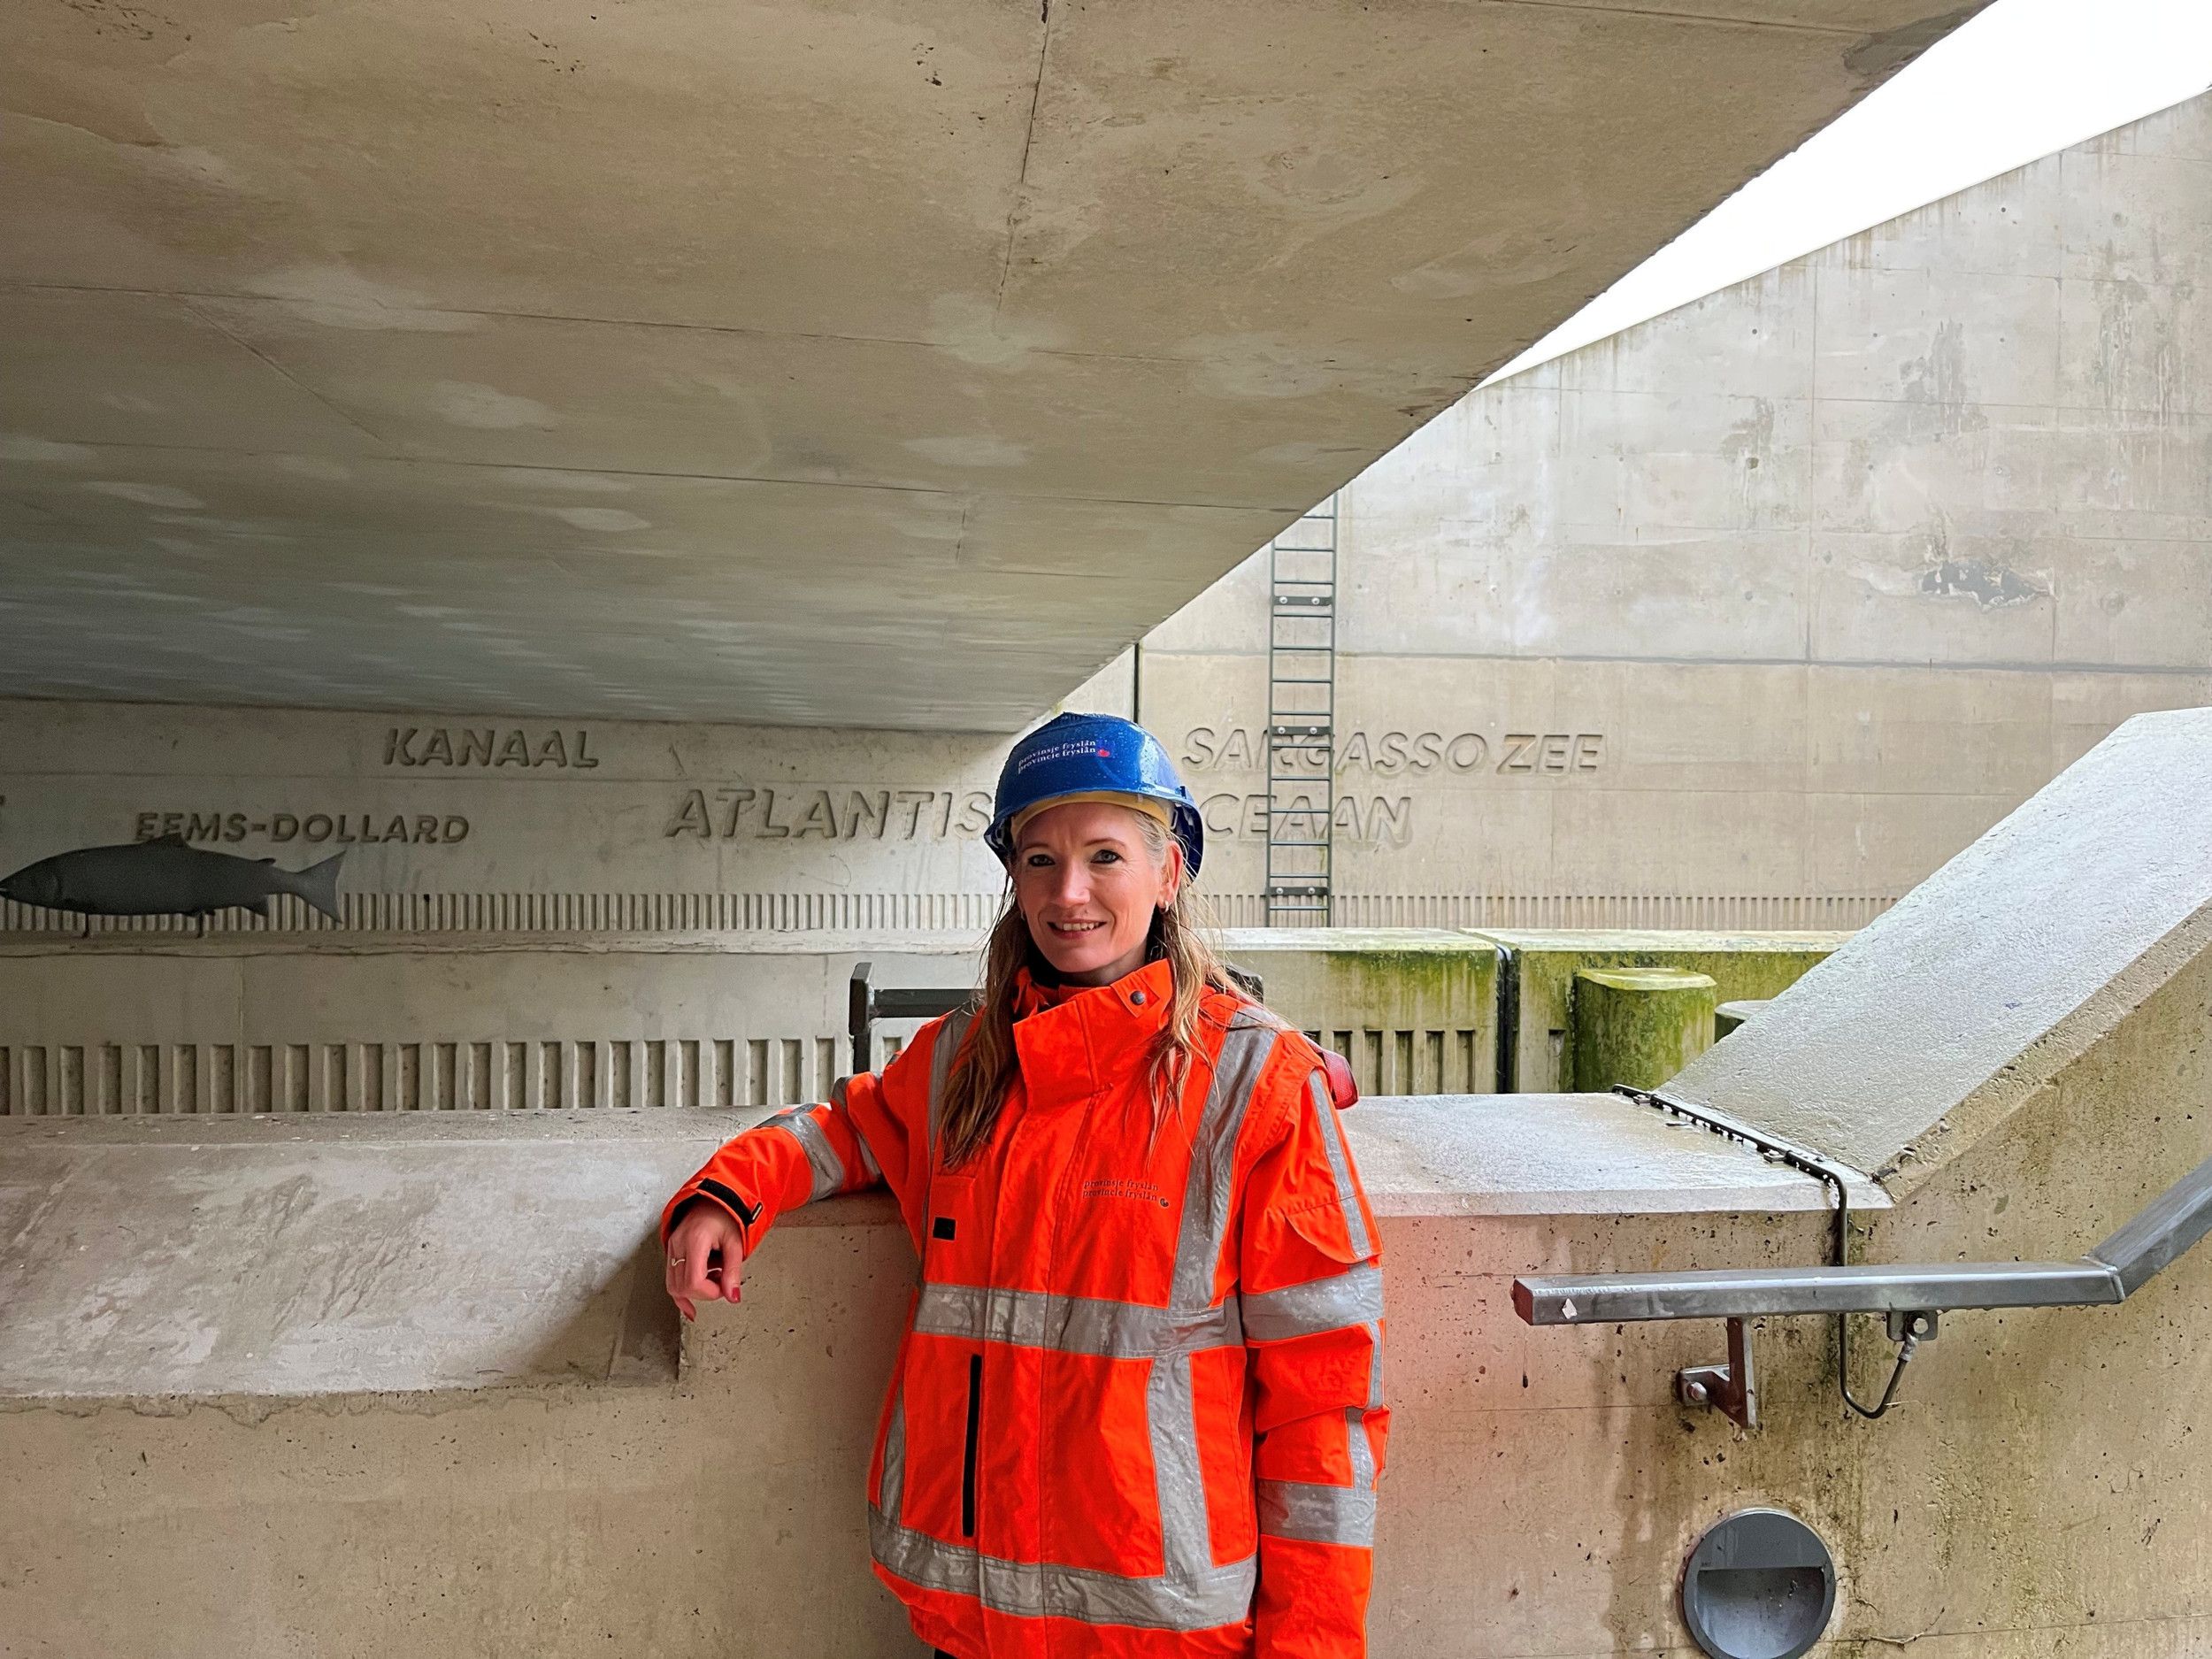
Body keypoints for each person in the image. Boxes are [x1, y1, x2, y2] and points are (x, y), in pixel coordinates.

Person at [661, 712, 1386, 1658]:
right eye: (1039, 860)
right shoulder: (966, 1059)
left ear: (1169, 873)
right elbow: (845, 1129)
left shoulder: (1261, 1088)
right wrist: (727, 1196)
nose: (1068, 891)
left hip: (1157, 1636)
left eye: (1103, 856)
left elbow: (1323, 1410)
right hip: (969, 1623)